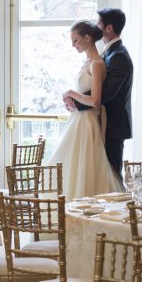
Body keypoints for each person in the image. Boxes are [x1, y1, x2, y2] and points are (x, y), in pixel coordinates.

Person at [48, 20, 122, 199]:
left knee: (84, 168)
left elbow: (96, 100)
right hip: (79, 119)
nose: (73, 45)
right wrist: (72, 101)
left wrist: (71, 93)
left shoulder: (97, 63)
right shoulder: (88, 62)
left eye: (75, 40)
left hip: (88, 122)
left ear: (87, 38)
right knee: (69, 166)